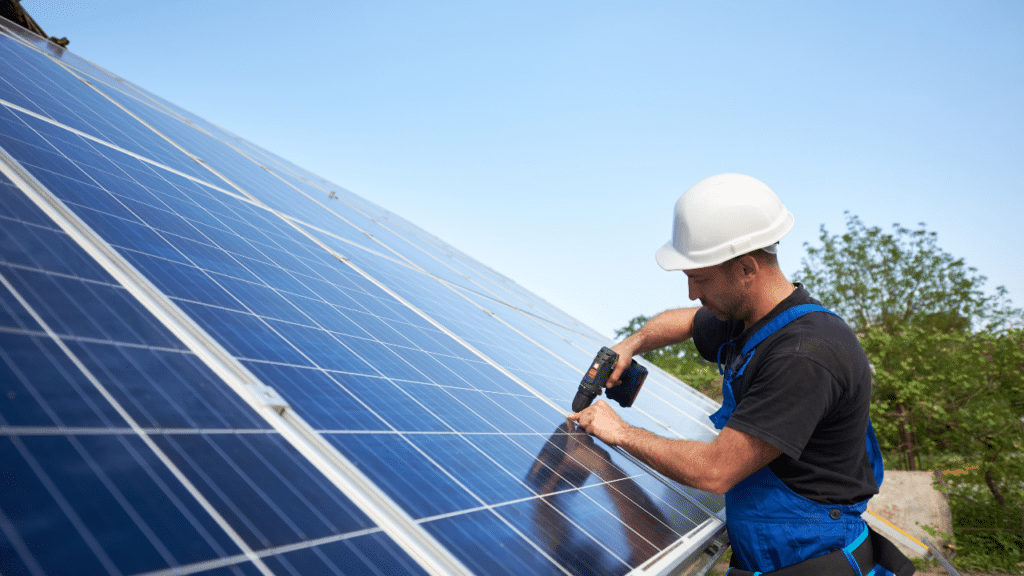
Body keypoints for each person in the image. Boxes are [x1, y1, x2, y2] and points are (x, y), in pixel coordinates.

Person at [569, 174, 913, 576]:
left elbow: (715, 471)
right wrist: (632, 344)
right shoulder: (751, 320)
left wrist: (620, 431)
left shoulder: (804, 353)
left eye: (699, 278)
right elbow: (684, 321)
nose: (692, 293)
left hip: (809, 559)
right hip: (769, 556)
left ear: (747, 268)